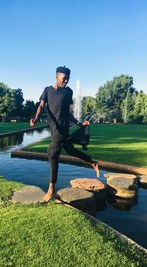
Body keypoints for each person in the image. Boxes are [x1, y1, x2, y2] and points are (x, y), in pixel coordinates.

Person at [30, 66, 99, 202]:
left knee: (53, 154)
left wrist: (79, 124)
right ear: (56, 77)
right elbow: (41, 105)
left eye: (68, 79)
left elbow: (67, 112)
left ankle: (51, 190)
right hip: (55, 128)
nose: (66, 81)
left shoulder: (68, 92)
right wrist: (36, 118)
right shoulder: (47, 90)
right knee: (70, 150)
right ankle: (92, 162)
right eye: (64, 79)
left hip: (62, 129)